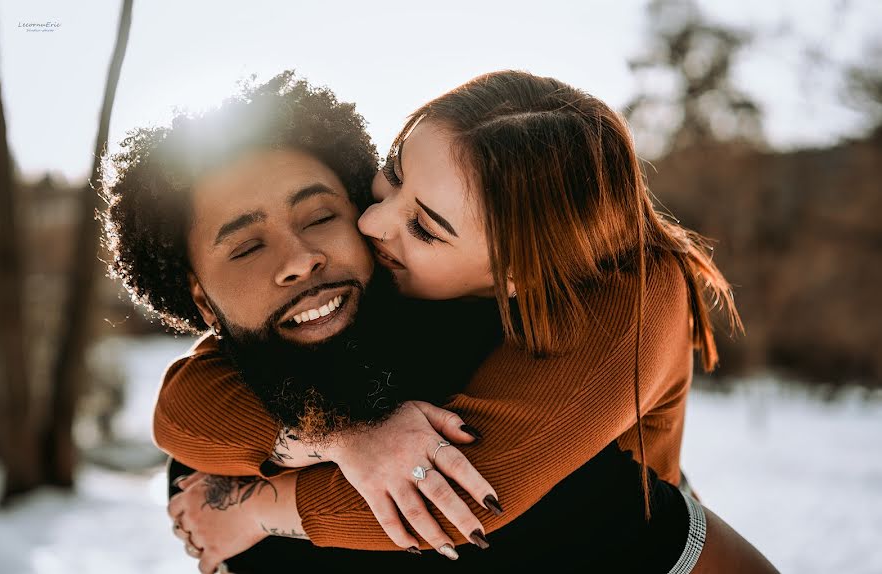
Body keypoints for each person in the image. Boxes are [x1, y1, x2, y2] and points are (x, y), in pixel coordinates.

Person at [101, 71, 777, 572]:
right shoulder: (395, 280)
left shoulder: (630, 298)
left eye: (424, 225)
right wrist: (338, 436)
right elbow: (187, 405)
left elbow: (481, 485)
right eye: (391, 176)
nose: (373, 222)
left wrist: (257, 510)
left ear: (515, 270)